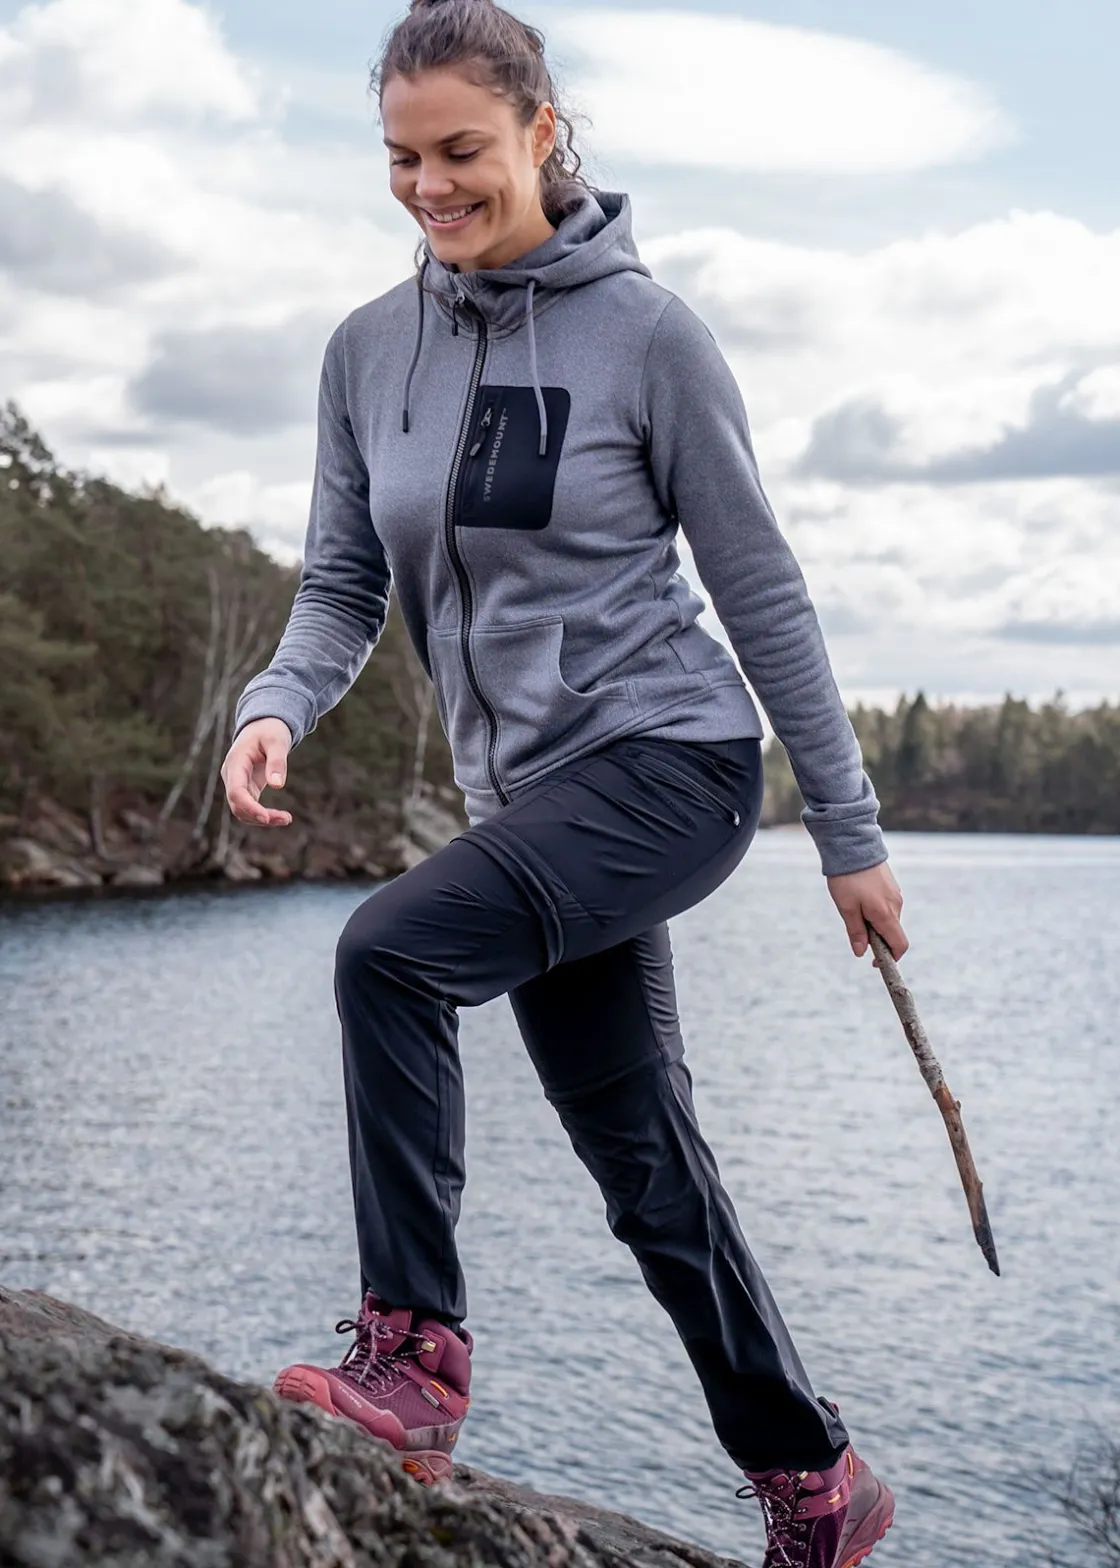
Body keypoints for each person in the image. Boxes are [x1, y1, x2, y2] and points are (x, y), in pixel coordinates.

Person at [222, 1, 908, 1562]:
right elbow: (342, 581)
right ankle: (817, 1482)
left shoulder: (648, 337)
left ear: (542, 132)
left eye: (461, 150)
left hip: (669, 764)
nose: (428, 186)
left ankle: (413, 1360)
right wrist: (276, 705)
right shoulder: (365, 352)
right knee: (641, 1155)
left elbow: (763, 590)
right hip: (531, 807)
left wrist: (850, 833)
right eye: (401, 157)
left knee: (388, 953)